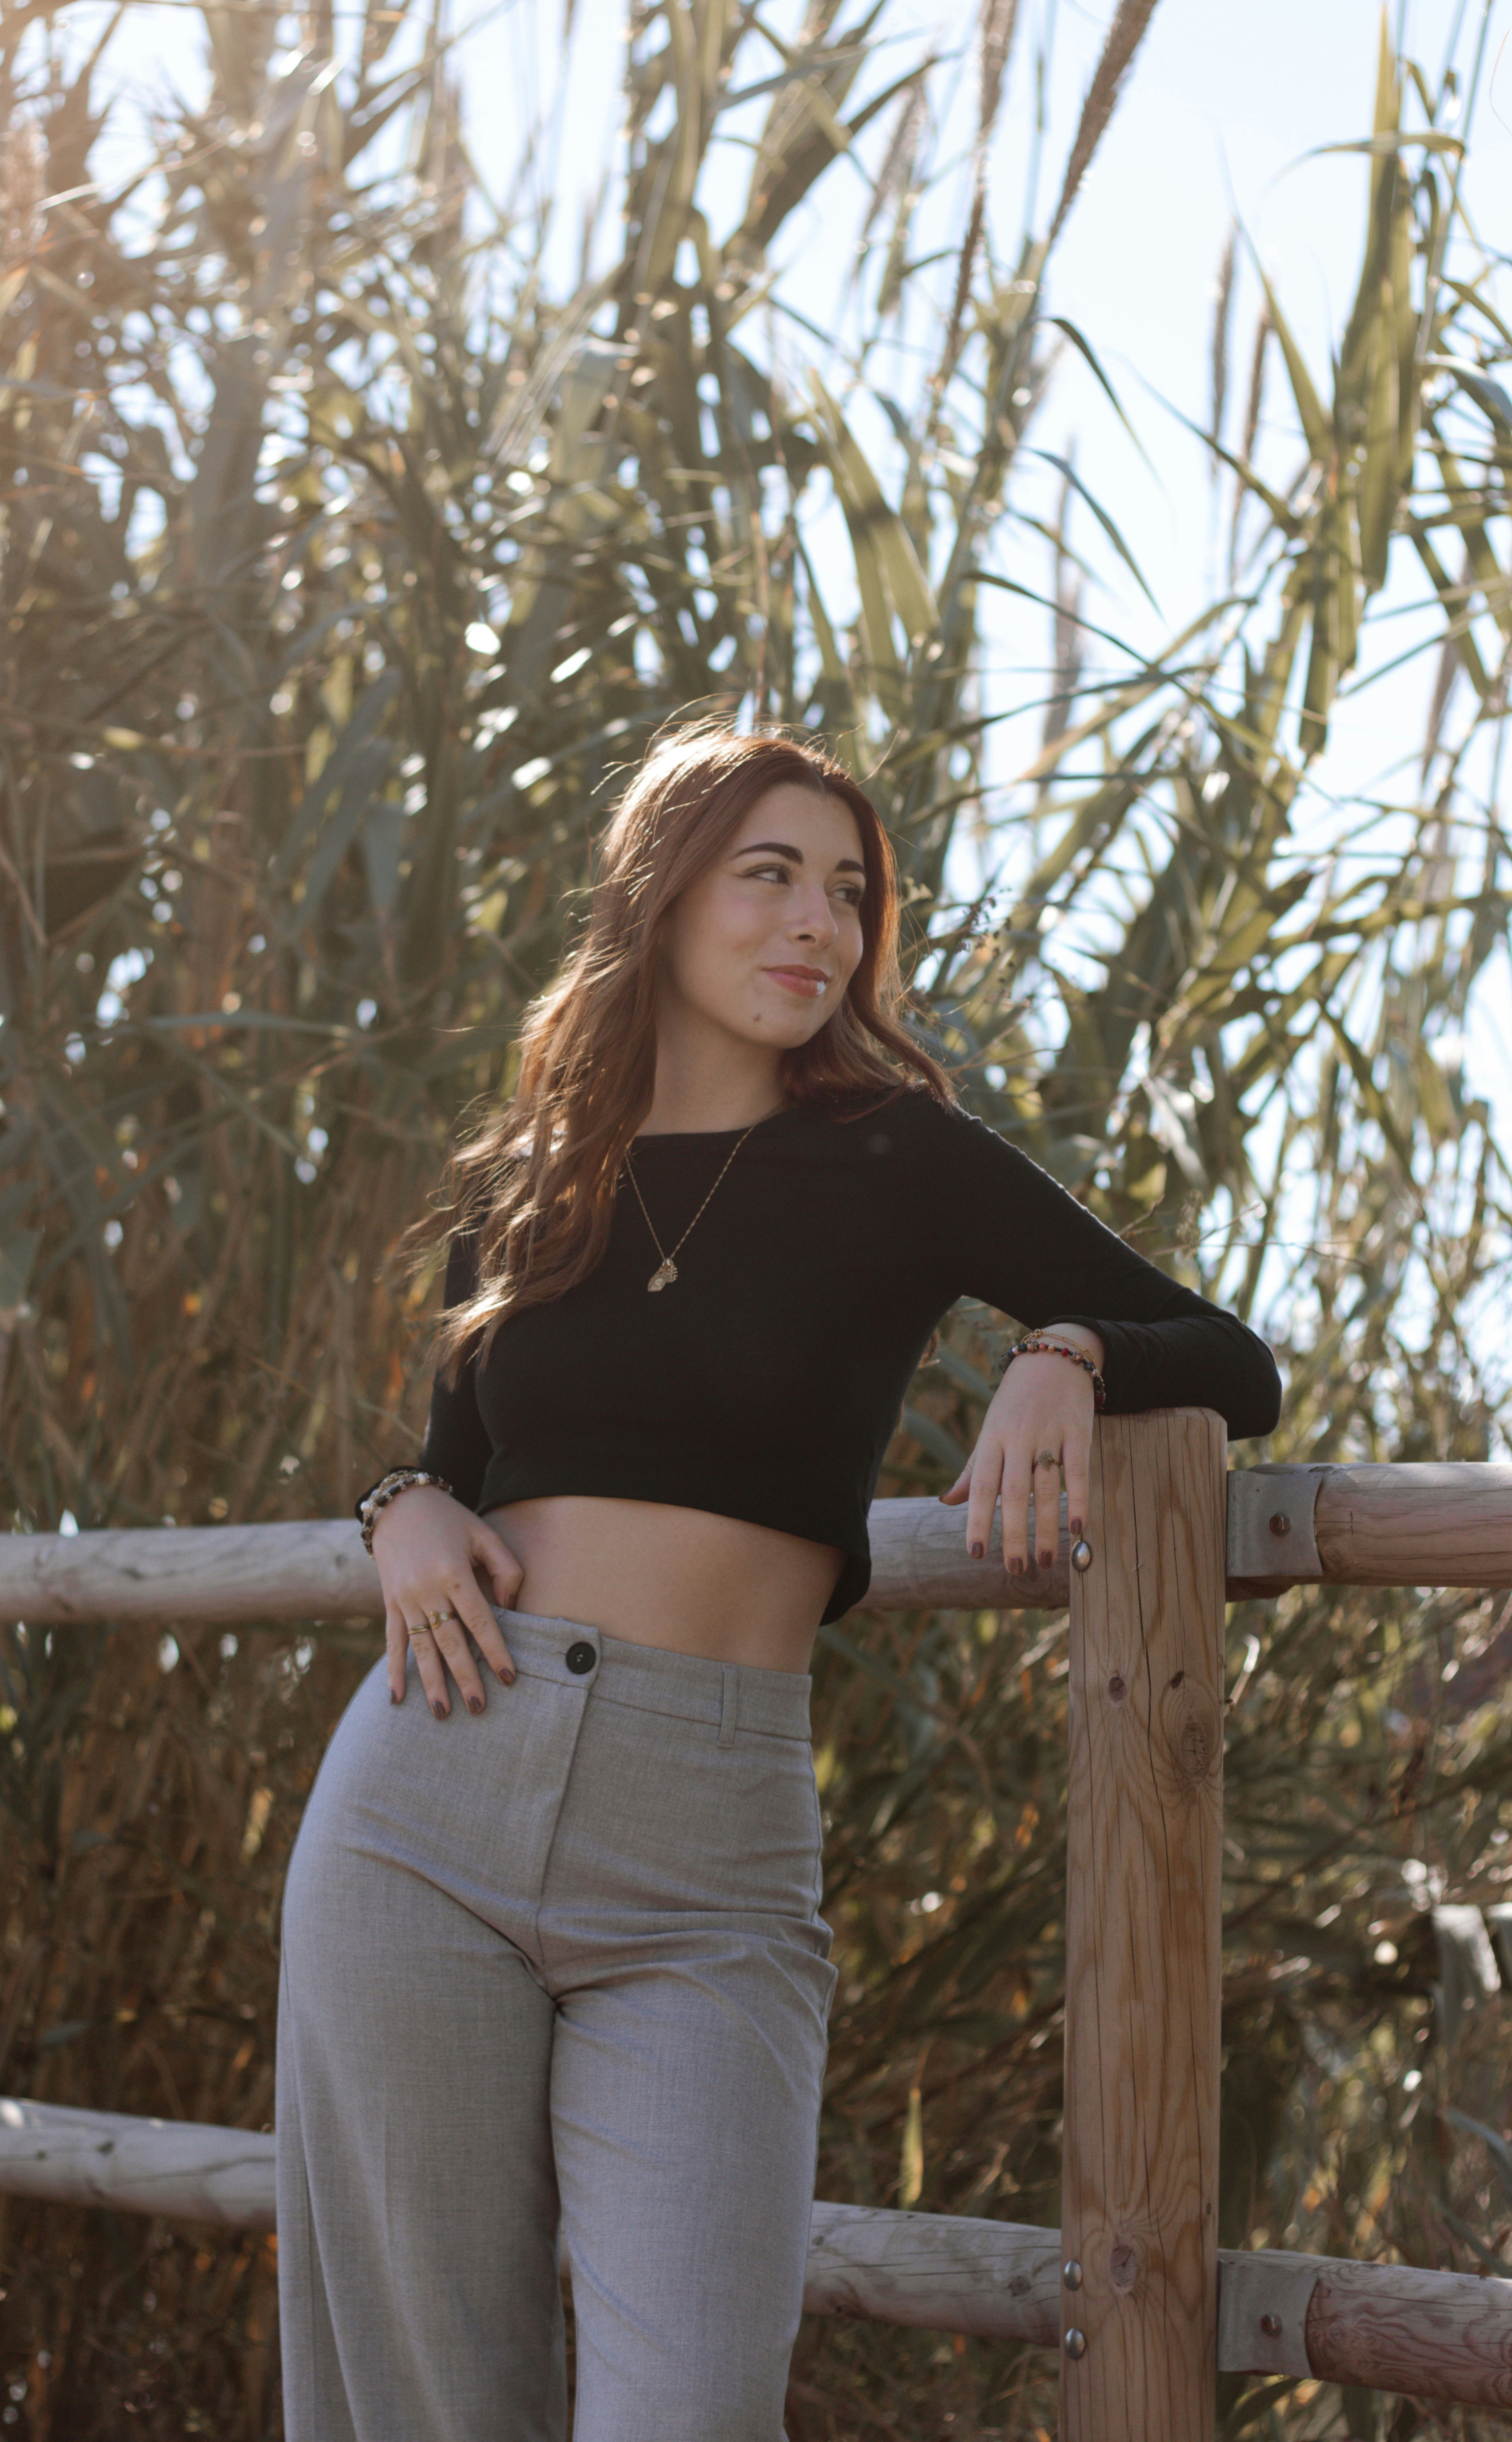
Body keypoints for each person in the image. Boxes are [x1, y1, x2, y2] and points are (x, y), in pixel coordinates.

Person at [274, 724, 1280, 2441]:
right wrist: (397, 1512)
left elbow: (1236, 1360)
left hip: (709, 1856)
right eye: (770, 876)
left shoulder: (903, 1159)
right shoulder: (524, 1191)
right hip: (428, 1792)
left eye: (850, 892)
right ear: (660, 899)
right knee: (420, 2402)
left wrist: (1068, 1348)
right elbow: (452, 1463)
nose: (820, 923)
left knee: (688, 2407)